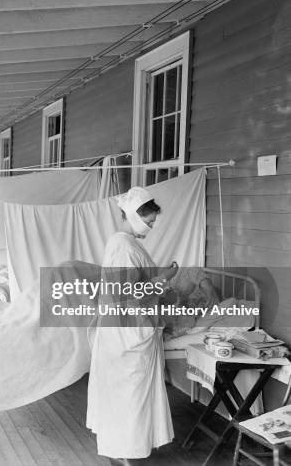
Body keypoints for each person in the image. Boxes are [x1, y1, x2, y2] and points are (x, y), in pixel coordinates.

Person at [86, 187, 178, 462]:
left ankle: (124, 447)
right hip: (127, 332)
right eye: (149, 222)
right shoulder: (124, 246)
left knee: (126, 394)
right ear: (135, 217)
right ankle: (124, 449)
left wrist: (159, 274)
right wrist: (167, 277)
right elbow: (126, 295)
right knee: (129, 395)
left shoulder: (126, 243)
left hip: (124, 328)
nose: (151, 228)